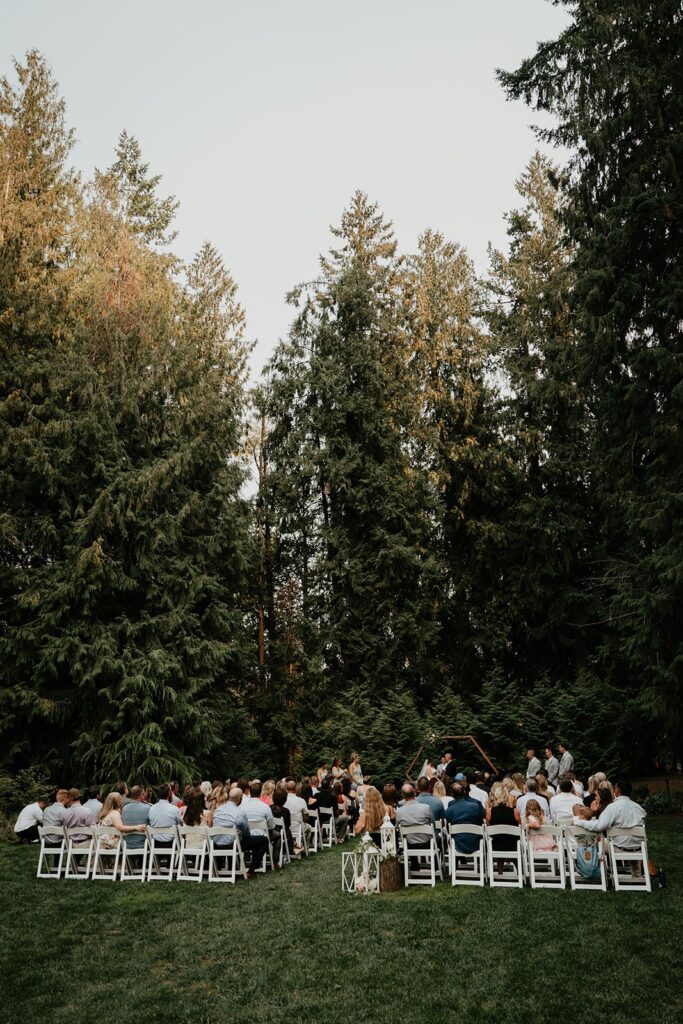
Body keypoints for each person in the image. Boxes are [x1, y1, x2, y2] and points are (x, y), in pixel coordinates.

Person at [209, 786, 267, 877]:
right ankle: (251, 870)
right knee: (263, 840)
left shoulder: (217, 810)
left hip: (217, 843)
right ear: (240, 799)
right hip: (233, 844)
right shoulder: (240, 813)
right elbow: (246, 833)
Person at [577, 779, 646, 851]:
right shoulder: (639, 808)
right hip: (639, 849)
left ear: (617, 790)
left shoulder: (613, 807)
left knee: (595, 842)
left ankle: (603, 862)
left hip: (619, 848)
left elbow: (599, 826)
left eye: (615, 788)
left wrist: (578, 822)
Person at [242, 781, 280, 866]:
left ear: (250, 792)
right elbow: (271, 825)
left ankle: (248, 859)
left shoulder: (242, 807)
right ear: (260, 792)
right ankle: (275, 862)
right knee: (278, 835)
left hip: (247, 836)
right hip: (262, 836)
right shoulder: (265, 807)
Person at [486, 782, 519, 872]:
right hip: (512, 845)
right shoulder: (514, 812)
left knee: (499, 838)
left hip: (496, 844)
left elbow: (489, 826)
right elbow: (519, 827)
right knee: (509, 839)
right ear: (507, 796)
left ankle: (500, 871)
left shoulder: (489, 811)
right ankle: (520, 870)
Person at [445, 782, 485, 854]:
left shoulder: (449, 810)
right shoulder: (476, 806)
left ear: (452, 794)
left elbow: (448, 828)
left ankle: (455, 864)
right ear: (464, 792)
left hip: (457, 845)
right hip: (475, 843)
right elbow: (481, 822)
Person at [148, 782, 182, 847]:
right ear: (169, 793)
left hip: (155, 843)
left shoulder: (151, 809)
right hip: (172, 843)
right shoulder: (175, 809)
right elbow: (179, 824)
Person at [121, 785, 152, 849]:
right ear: (141, 795)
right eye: (144, 794)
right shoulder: (148, 808)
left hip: (126, 844)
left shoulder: (124, 808)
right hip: (144, 844)